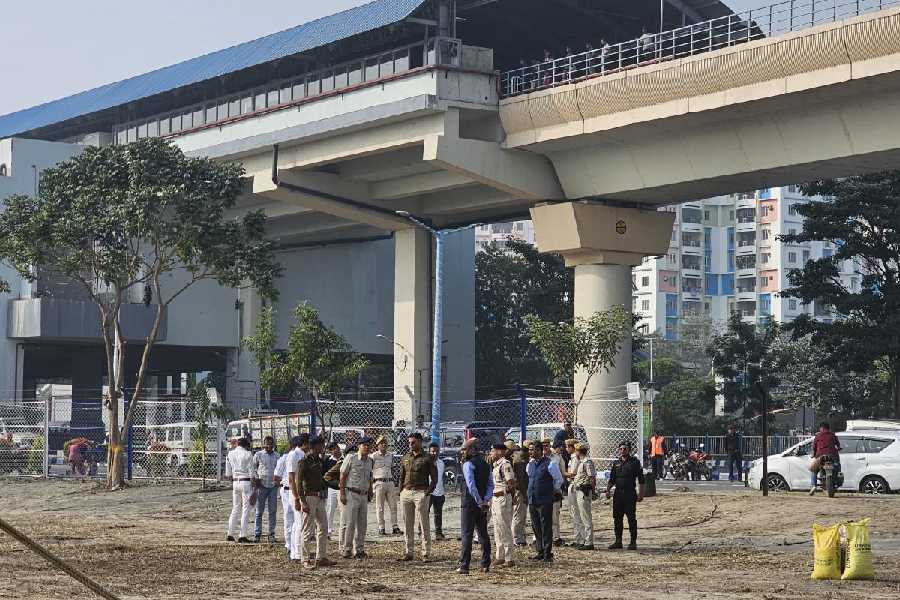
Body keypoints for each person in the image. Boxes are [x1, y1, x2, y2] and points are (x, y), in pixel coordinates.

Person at [295, 436, 334, 569]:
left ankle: (321, 557)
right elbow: (298, 482)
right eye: (321, 445)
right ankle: (305, 558)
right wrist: (302, 501)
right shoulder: (304, 462)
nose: (323, 447)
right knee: (307, 529)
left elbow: (322, 479)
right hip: (309, 497)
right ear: (314, 446)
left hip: (319, 497)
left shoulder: (320, 461)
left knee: (323, 527)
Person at [398, 432, 438, 561]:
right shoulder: (405, 457)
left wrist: (427, 493)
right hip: (406, 493)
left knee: (423, 522)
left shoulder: (427, 458)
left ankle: (425, 553)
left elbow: (434, 478)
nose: (410, 444)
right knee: (407, 524)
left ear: (420, 442)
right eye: (409, 442)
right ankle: (409, 552)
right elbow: (401, 476)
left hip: (421, 493)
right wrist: (401, 492)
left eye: (413, 442)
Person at [457, 438, 493, 574]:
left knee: (467, 534)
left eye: (465, 449)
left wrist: (478, 500)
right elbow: (491, 484)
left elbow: (471, 486)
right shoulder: (485, 464)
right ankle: (485, 564)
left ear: (472, 450)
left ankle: (464, 565)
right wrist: (485, 499)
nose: (463, 451)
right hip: (482, 503)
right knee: (483, 533)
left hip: (470, 503)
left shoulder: (468, 464)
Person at [526, 440, 563, 563]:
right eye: (529, 450)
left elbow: (558, 480)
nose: (530, 452)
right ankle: (540, 551)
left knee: (546, 526)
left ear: (539, 450)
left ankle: (547, 553)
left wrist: (552, 491)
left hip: (545, 500)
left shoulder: (550, 464)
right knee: (536, 527)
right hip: (532, 500)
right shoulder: (530, 464)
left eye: (532, 449)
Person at [605, 440, 645, 550]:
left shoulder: (635, 462)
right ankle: (618, 541)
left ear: (629, 450)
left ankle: (633, 542)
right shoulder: (616, 463)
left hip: (630, 494)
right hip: (618, 494)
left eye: (625, 449)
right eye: (621, 449)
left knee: (631, 518)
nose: (622, 451)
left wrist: (641, 494)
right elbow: (612, 479)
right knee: (617, 518)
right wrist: (608, 490)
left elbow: (641, 479)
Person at [339, 436, 374, 559]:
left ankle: (359, 549)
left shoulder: (370, 461)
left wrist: (370, 491)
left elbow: (370, 477)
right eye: (364, 445)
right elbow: (342, 475)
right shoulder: (351, 458)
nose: (367, 447)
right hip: (351, 493)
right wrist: (342, 493)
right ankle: (347, 549)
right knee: (350, 523)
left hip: (363, 495)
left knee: (362, 524)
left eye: (369, 445)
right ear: (359, 445)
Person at [490, 443, 516, 567]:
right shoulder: (496, 465)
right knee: (497, 528)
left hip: (503, 498)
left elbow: (511, 483)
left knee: (504, 528)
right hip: (495, 498)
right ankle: (500, 556)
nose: (491, 453)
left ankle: (509, 557)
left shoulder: (505, 464)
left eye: (493, 451)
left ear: (500, 452)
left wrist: (512, 497)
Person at [225, 437, 256, 543]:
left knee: (235, 508)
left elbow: (228, 473)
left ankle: (230, 533)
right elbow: (252, 473)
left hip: (235, 482)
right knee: (246, 509)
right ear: (246, 445)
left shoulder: (230, 454)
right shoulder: (248, 454)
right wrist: (254, 487)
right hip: (246, 482)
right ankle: (242, 535)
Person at [275, 436, 301, 555]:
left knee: (294, 519)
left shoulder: (300, 456)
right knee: (289, 517)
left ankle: (293, 544)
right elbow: (276, 476)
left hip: (291, 489)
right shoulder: (285, 458)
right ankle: (289, 544)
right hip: (286, 490)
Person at [251, 435, 280, 544]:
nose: (269, 446)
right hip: (261, 486)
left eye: (271, 444)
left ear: (273, 445)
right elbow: (253, 468)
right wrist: (255, 480)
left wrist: (278, 482)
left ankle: (271, 534)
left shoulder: (277, 456)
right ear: (263, 444)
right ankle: (257, 534)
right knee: (259, 511)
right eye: (267, 444)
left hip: (273, 487)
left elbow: (280, 470)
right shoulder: (258, 455)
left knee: (272, 511)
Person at [287, 433, 310, 561]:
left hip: (301, 492)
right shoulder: (293, 455)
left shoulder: (302, 455)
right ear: (305, 444)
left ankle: (296, 552)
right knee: (300, 523)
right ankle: (297, 553)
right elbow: (291, 479)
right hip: (296, 493)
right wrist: (296, 498)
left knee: (298, 523)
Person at [371, 436, 401, 536]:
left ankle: (395, 526)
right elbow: (370, 470)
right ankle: (381, 528)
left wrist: (395, 482)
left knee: (393, 505)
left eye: (385, 443)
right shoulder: (373, 456)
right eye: (381, 443)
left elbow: (393, 468)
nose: (384, 444)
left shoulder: (390, 455)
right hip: (379, 482)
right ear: (378, 445)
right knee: (380, 507)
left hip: (390, 482)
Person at [572, 443, 596, 550]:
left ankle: (589, 541)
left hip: (584, 491)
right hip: (579, 491)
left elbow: (592, 478)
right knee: (582, 516)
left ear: (579, 451)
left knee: (586, 517)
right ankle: (585, 540)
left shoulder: (587, 462)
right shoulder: (582, 462)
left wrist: (593, 491)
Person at [810, 422, 842, 495]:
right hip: (833, 455)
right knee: (837, 466)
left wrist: (813, 455)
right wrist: (839, 448)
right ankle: (838, 475)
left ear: (822, 428)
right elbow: (838, 445)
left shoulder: (818, 435)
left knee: (814, 470)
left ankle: (813, 486)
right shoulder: (833, 435)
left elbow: (814, 447)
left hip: (820, 456)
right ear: (828, 428)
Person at [563, 438, 584, 548]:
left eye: (567, 447)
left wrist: (563, 472)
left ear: (572, 447)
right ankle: (578, 538)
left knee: (576, 513)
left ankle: (580, 539)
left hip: (574, 485)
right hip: (571, 485)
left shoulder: (575, 459)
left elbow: (573, 474)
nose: (566, 449)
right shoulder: (572, 458)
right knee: (574, 513)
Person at [511, 440, 530, 547]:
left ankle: (520, 537)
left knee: (520, 515)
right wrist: (525, 494)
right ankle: (517, 538)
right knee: (519, 515)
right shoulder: (521, 461)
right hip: (520, 491)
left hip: (521, 490)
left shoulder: (519, 458)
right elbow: (521, 480)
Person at [428, 442, 447, 541]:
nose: (434, 453)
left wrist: (443, 491)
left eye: (436, 451)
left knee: (438, 514)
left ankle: (438, 533)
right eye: (432, 451)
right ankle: (422, 532)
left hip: (439, 492)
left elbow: (441, 478)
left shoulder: (441, 463)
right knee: (424, 513)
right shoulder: (426, 462)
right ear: (429, 452)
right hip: (428, 493)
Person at [322, 442, 342, 538]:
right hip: (332, 488)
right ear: (330, 451)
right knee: (330, 509)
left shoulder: (345, 458)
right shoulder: (327, 461)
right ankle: (328, 530)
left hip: (344, 488)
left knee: (343, 510)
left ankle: (343, 530)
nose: (335, 450)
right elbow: (325, 476)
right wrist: (334, 484)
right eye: (332, 449)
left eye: (336, 448)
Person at [549, 441, 566, 546]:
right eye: (561, 447)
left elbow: (562, 473)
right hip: (545, 488)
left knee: (555, 514)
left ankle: (556, 537)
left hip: (556, 488)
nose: (562, 449)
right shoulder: (546, 457)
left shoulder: (559, 457)